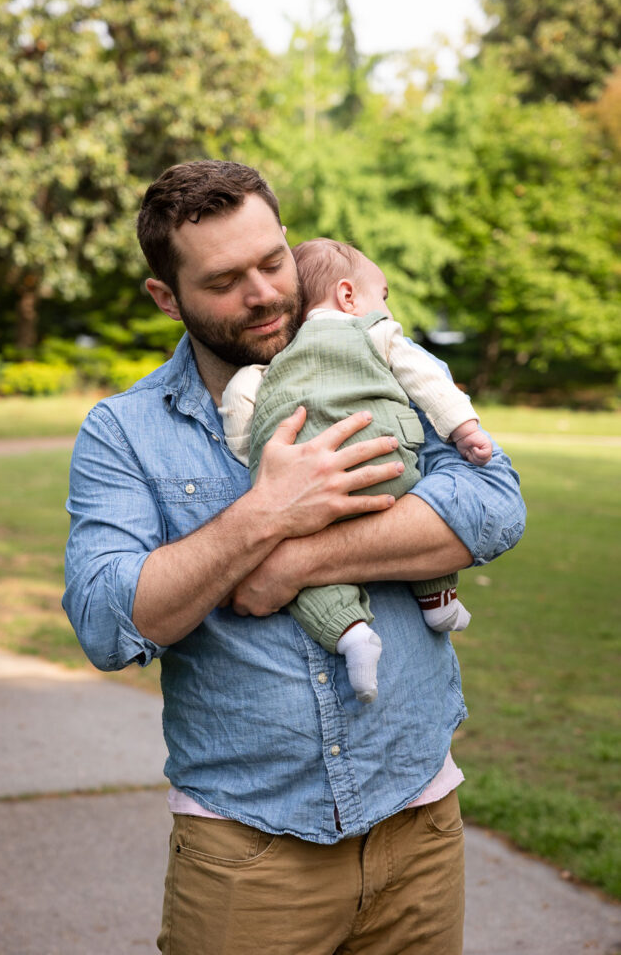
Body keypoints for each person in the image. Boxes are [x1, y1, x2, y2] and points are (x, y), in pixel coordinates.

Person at [63, 159, 526, 955]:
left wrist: (294, 565)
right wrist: (261, 516)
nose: (266, 293)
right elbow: (111, 623)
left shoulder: (375, 360)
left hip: (418, 824)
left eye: (273, 261)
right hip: (249, 853)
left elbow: (491, 507)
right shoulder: (123, 432)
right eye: (224, 280)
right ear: (166, 298)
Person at [219, 237, 492, 703]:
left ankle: (352, 636)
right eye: (381, 296)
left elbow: (241, 404)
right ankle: (438, 601)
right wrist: (464, 428)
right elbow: (425, 381)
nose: (386, 308)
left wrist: (255, 461)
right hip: (385, 461)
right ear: (348, 297)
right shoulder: (374, 332)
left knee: (295, 564)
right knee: (416, 506)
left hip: (303, 487)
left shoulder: (269, 363)